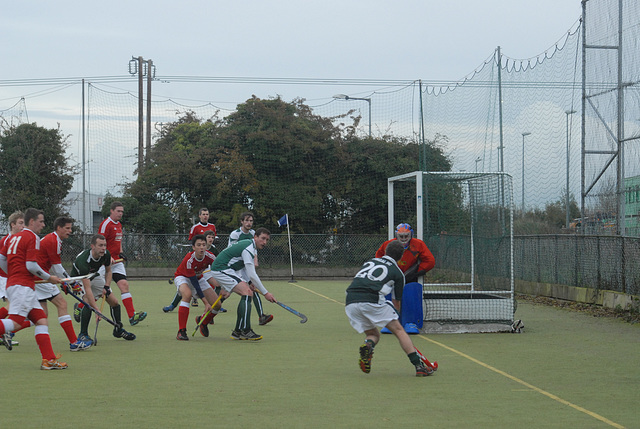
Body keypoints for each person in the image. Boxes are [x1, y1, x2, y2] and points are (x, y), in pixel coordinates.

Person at [345, 240, 434, 377]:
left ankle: (368, 345)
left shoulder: (371, 262)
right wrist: (395, 320)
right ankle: (419, 366)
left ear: (386, 252)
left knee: (373, 334)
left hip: (350, 301)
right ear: (401, 256)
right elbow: (396, 302)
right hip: (371, 300)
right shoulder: (398, 273)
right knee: (399, 331)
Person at [0, 208, 67, 369]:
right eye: (41, 221)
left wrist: (12, 273)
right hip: (22, 286)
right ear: (32, 222)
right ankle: (48, 360)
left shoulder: (13, 238)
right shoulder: (32, 237)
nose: (43, 225)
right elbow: (31, 265)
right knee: (15, 322)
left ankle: (48, 360)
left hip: (17, 284)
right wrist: (49, 278)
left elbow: (2, 259)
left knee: (41, 319)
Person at [209, 227, 276, 341]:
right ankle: (245, 330)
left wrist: (249, 282)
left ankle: (238, 331)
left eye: (267, 240)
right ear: (255, 237)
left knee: (247, 293)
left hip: (227, 270)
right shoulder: (249, 247)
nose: (264, 242)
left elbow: (244, 267)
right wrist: (266, 293)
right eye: (262, 238)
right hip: (221, 269)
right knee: (247, 293)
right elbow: (252, 274)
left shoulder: (249, 245)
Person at [36, 216, 92, 351]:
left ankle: (8, 330)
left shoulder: (54, 239)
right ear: (59, 228)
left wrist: (67, 282)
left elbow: (55, 267)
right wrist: (71, 283)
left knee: (42, 314)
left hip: (39, 277)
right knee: (62, 304)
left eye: (70, 228)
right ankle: (74, 342)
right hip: (41, 278)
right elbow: (57, 267)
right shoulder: (53, 240)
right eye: (67, 228)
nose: (70, 231)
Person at [71, 234, 136, 342]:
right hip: (79, 278)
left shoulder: (106, 254)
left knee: (114, 302)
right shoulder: (84, 261)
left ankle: (118, 329)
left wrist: (106, 286)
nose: (103, 248)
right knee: (88, 303)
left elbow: (108, 271)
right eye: (100, 245)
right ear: (93, 246)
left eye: (104, 245)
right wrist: (97, 310)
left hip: (93, 275)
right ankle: (83, 334)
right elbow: (88, 289)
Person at [375, 223, 435, 333]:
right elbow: (379, 257)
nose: (403, 239)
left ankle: (410, 322)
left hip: (410, 276)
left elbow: (430, 261)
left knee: (411, 292)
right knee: (387, 293)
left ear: (411, 235)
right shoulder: (388, 244)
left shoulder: (418, 245)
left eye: (406, 236)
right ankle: (389, 323)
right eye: (401, 236)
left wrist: (417, 271)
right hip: (392, 275)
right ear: (396, 235)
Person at [98, 201, 147, 325]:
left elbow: (118, 241)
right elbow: (99, 243)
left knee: (124, 285)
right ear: (112, 211)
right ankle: (80, 307)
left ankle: (132, 316)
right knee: (98, 291)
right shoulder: (105, 225)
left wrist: (120, 253)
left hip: (116, 262)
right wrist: (107, 257)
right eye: (118, 211)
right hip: (104, 262)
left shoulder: (119, 225)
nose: (120, 213)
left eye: (122, 211)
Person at [173, 234, 225, 340]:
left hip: (199, 277)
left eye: (204, 245)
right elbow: (195, 284)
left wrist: (225, 286)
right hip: (183, 277)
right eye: (199, 245)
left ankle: (203, 321)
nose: (202, 247)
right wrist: (206, 303)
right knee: (187, 295)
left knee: (217, 306)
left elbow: (220, 270)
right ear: (193, 247)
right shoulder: (189, 260)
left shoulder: (210, 256)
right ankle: (181, 331)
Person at [225, 211, 272, 325]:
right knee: (226, 293)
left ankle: (261, 316)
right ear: (242, 221)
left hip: (245, 265)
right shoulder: (235, 234)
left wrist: (255, 259)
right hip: (234, 266)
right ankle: (210, 313)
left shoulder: (253, 233)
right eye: (246, 220)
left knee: (252, 287)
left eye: (251, 221)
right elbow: (231, 251)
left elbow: (254, 248)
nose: (249, 223)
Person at [163, 230, 218, 312]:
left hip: (205, 271)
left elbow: (218, 266)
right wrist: (205, 302)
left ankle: (214, 305)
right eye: (209, 237)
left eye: (212, 237)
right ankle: (174, 304)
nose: (211, 239)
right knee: (187, 292)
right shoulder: (190, 258)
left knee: (217, 285)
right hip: (189, 274)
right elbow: (194, 282)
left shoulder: (213, 251)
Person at [0, 211, 25, 348]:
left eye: (24, 223)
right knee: (12, 307)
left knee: (17, 308)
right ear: (12, 224)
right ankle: (5, 330)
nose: (23, 226)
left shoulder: (20, 239)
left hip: (14, 278)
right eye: (20, 223)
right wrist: (11, 274)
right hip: (4, 278)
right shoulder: (6, 240)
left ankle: (4, 332)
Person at [186, 208, 219, 307]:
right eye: (203, 214)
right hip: (197, 256)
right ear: (199, 216)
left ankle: (213, 301)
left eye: (207, 214)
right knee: (193, 279)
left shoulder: (212, 226)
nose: (205, 216)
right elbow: (191, 240)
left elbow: (215, 237)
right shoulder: (195, 227)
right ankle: (194, 298)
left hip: (208, 255)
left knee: (210, 278)